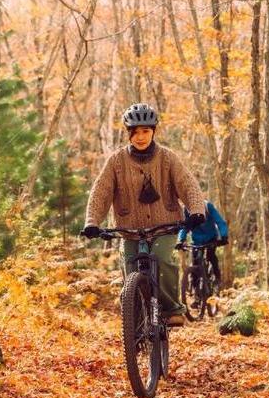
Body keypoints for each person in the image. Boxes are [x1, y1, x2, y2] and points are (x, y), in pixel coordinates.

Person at [81, 103, 206, 326]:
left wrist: (196, 211)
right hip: (129, 229)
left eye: (145, 131)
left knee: (161, 259)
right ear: (128, 133)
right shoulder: (116, 161)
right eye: (135, 132)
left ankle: (172, 309)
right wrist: (92, 222)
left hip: (165, 226)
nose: (140, 137)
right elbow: (101, 192)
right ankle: (136, 321)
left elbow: (188, 185)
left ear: (153, 131)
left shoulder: (167, 158)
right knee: (130, 269)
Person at [176, 200, 228, 282]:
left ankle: (217, 277)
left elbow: (220, 221)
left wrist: (224, 236)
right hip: (197, 240)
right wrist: (180, 240)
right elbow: (184, 227)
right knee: (195, 261)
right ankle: (194, 284)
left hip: (211, 238)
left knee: (211, 256)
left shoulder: (208, 206)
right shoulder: (187, 209)